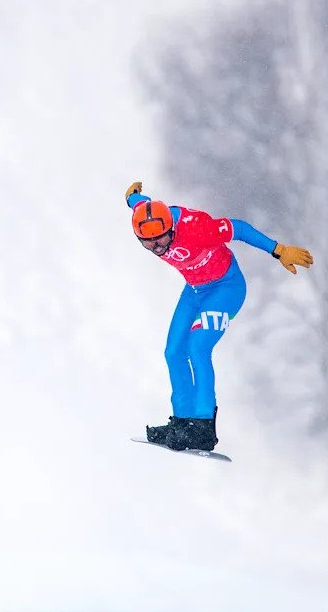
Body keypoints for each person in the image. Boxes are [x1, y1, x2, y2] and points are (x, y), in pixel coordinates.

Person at [125, 181, 314, 452]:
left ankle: (202, 427)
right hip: (195, 289)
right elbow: (138, 202)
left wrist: (278, 249)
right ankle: (182, 421)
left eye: (162, 240)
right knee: (173, 351)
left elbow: (238, 228)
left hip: (226, 288)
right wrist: (132, 196)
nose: (157, 247)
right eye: (148, 243)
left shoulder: (197, 228)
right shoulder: (147, 218)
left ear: (173, 228)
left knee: (198, 347)